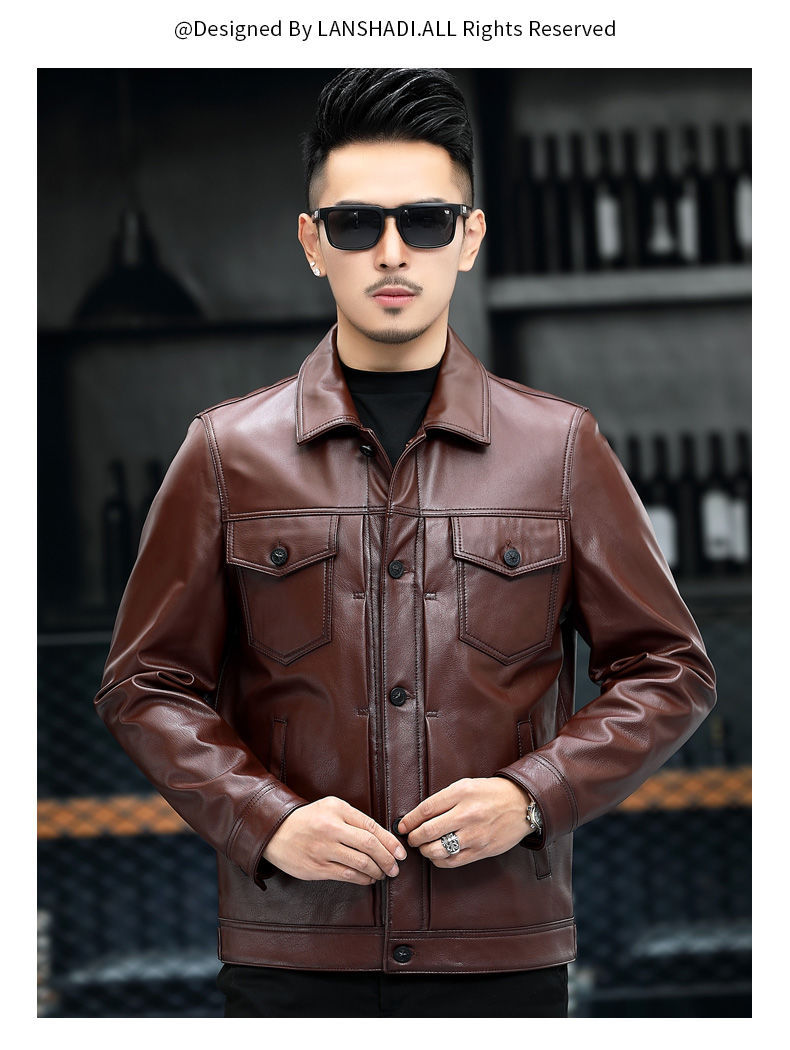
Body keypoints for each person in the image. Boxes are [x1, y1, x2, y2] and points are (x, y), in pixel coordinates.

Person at [94, 68, 717, 1019]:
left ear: (469, 236)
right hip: (293, 957)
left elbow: (670, 669)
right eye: (355, 223)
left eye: (426, 220)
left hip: (500, 953)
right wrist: (268, 820)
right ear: (313, 243)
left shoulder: (559, 449)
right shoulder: (225, 453)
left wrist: (534, 795)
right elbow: (144, 684)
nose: (392, 251)